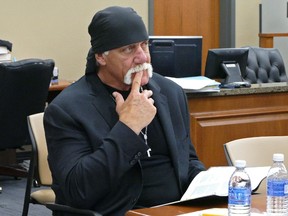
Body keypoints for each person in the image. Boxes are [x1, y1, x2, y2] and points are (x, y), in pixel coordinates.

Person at [44, 6, 205, 216]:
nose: (142, 58)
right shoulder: (67, 109)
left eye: (144, 45)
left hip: (177, 210)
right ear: (101, 56)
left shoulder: (170, 92)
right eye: (128, 49)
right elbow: (78, 190)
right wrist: (129, 127)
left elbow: (188, 161)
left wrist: (211, 185)